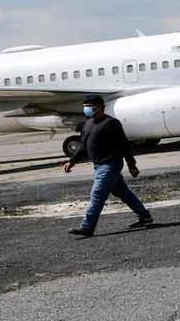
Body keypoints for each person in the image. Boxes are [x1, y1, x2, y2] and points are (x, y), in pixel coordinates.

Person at [63, 95, 153, 237]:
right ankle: (145, 216)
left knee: (97, 195)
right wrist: (71, 161)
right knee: (123, 192)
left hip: (110, 164)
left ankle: (87, 227)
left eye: (88, 106)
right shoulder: (88, 123)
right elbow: (82, 146)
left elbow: (124, 145)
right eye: (85, 106)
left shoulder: (112, 123)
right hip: (98, 165)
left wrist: (132, 165)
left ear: (99, 107)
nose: (85, 109)